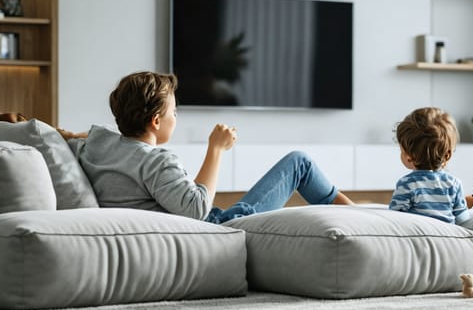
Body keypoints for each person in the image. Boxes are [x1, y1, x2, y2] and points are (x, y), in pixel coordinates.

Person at [66, 71, 353, 224]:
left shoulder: (97, 143)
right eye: (174, 112)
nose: (175, 118)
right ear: (156, 121)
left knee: (298, 163)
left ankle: (356, 213)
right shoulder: (155, 161)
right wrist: (216, 149)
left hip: (206, 217)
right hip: (220, 226)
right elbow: (196, 211)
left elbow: (77, 137)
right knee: (299, 162)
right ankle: (360, 218)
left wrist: (58, 131)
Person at [388, 107, 473, 224]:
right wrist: (465, 204)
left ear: (409, 156)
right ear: (447, 155)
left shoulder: (407, 184)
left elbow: (394, 217)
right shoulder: (454, 184)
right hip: (448, 238)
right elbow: (462, 219)